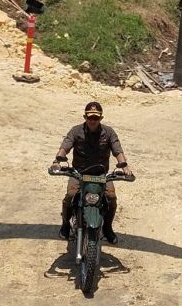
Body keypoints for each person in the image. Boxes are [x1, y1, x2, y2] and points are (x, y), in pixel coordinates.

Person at [52, 102, 132, 244]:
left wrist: (124, 166)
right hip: (79, 173)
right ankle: (65, 225)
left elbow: (117, 150)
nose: (93, 121)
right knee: (70, 196)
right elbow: (65, 146)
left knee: (111, 198)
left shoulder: (108, 132)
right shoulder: (76, 131)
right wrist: (57, 161)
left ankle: (107, 228)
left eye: (96, 118)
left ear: (101, 118)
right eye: (90, 118)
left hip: (101, 175)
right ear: (85, 117)